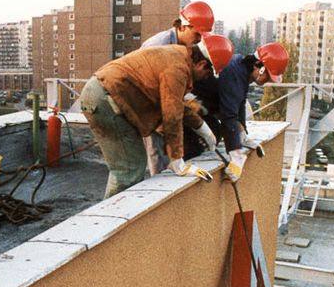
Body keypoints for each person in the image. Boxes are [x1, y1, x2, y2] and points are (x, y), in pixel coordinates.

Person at [79, 42, 225, 199]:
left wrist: (203, 129)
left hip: (102, 93)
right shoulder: (178, 69)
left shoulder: (179, 56)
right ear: (202, 64)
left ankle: (117, 216)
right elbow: (172, 116)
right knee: (129, 168)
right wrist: (177, 160)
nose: (205, 79)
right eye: (207, 74)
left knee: (130, 165)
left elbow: (176, 105)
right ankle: (110, 220)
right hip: (105, 98)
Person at [190, 41, 289, 181]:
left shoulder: (242, 69)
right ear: (259, 67)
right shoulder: (235, 73)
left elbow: (239, 104)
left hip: (202, 108)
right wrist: (236, 154)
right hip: (188, 107)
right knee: (197, 142)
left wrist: (243, 134)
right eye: (268, 75)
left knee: (215, 134)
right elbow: (228, 115)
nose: (268, 81)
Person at [139, 1, 216, 173]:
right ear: (183, 27)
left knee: (165, 151)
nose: (198, 40)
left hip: (161, 103)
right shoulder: (160, 44)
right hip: (147, 103)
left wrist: (187, 99)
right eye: (197, 34)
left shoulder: (183, 47)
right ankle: (156, 191)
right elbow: (150, 83)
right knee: (156, 155)